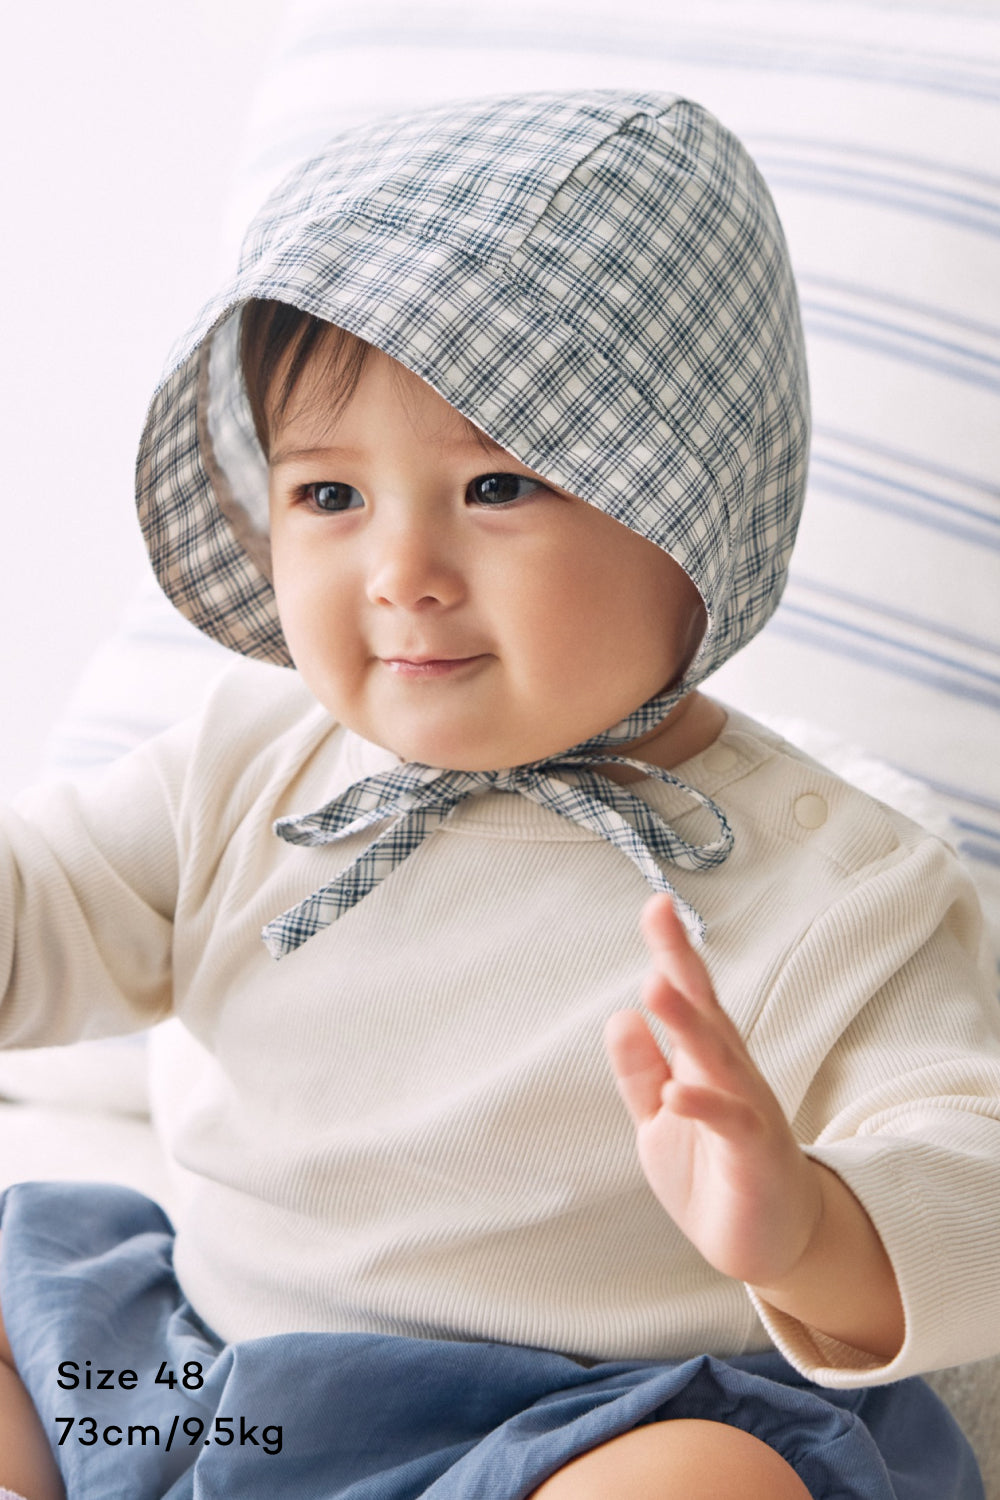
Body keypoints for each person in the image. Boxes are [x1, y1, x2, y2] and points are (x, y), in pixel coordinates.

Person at [0, 88, 997, 1500]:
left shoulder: (839, 883)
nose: (401, 573)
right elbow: (43, 908)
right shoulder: (248, 757)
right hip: (210, 1389)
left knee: (708, 1479)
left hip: (566, 1430)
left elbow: (971, 1184)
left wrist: (808, 1225)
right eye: (330, 498)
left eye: (498, 487)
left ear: (697, 512)